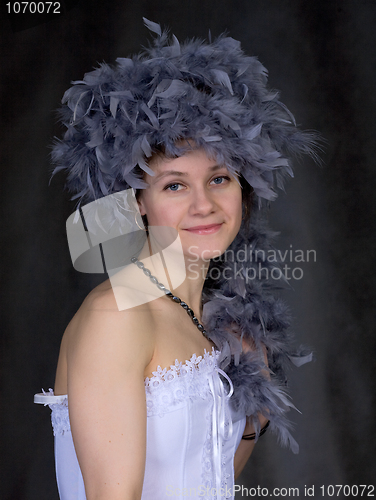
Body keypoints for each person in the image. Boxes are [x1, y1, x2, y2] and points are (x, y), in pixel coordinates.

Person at [34, 18, 319, 500]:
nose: (204, 204)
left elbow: (213, 479)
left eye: (220, 178)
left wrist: (253, 410)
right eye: (174, 185)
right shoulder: (118, 316)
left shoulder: (216, 326)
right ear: (137, 201)